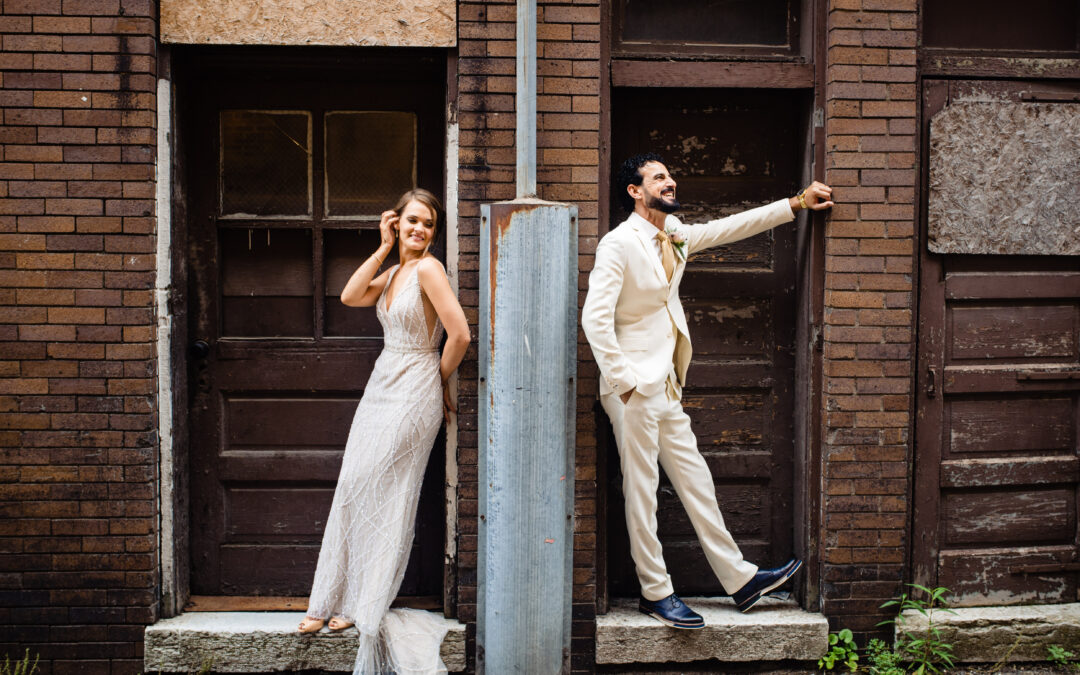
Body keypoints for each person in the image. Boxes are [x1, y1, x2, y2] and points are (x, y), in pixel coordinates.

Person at [582, 153, 833, 629]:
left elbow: (729, 227)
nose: (670, 181)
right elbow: (595, 319)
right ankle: (656, 593)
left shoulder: (674, 234)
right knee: (643, 493)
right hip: (633, 389)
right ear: (635, 191)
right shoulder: (619, 244)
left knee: (697, 482)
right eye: (659, 177)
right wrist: (625, 383)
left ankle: (740, 580)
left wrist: (795, 204)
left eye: (670, 175)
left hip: (667, 386)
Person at [297, 188, 470, 674]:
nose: (420, 230)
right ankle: (329, 597)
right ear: (398, 224)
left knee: (390, 493)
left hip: (415, 384)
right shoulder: (394, 271)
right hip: (381, 384)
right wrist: (381, 246)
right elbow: (350, 295)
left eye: (427, 224)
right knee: (355, 484)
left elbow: (460, 334)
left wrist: (434, 381)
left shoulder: (431, 270)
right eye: (412, 221)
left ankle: (361, 604)